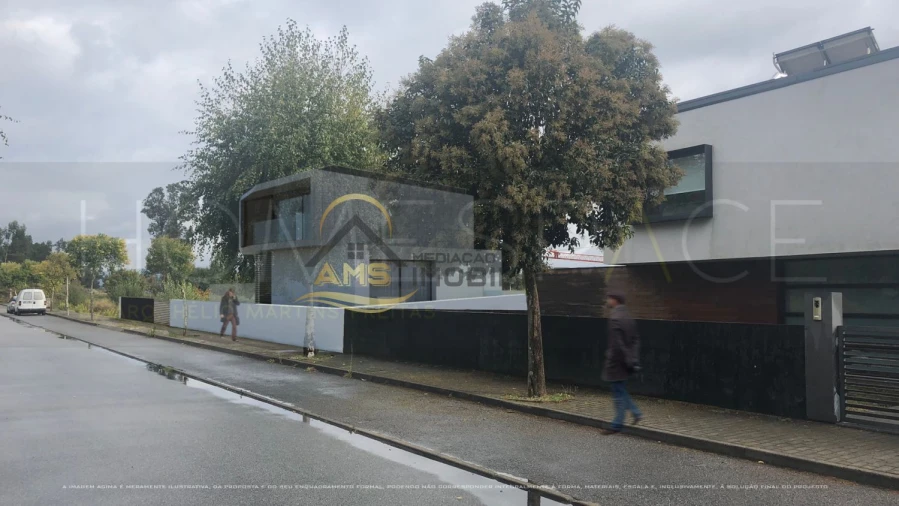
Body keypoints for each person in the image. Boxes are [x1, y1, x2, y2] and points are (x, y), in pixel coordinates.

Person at [601, 290, 642, 434]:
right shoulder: (628, 317)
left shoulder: (615, 318)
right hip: (627, 361)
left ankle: (617, 425)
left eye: (609, 298)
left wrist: (615, 359)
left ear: (615, 300)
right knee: (621, 390)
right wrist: (632, 358)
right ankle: (636, 413)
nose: (607, 301)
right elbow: (636, 340)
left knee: (618, 394)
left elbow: (616, 345)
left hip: (617, 362)